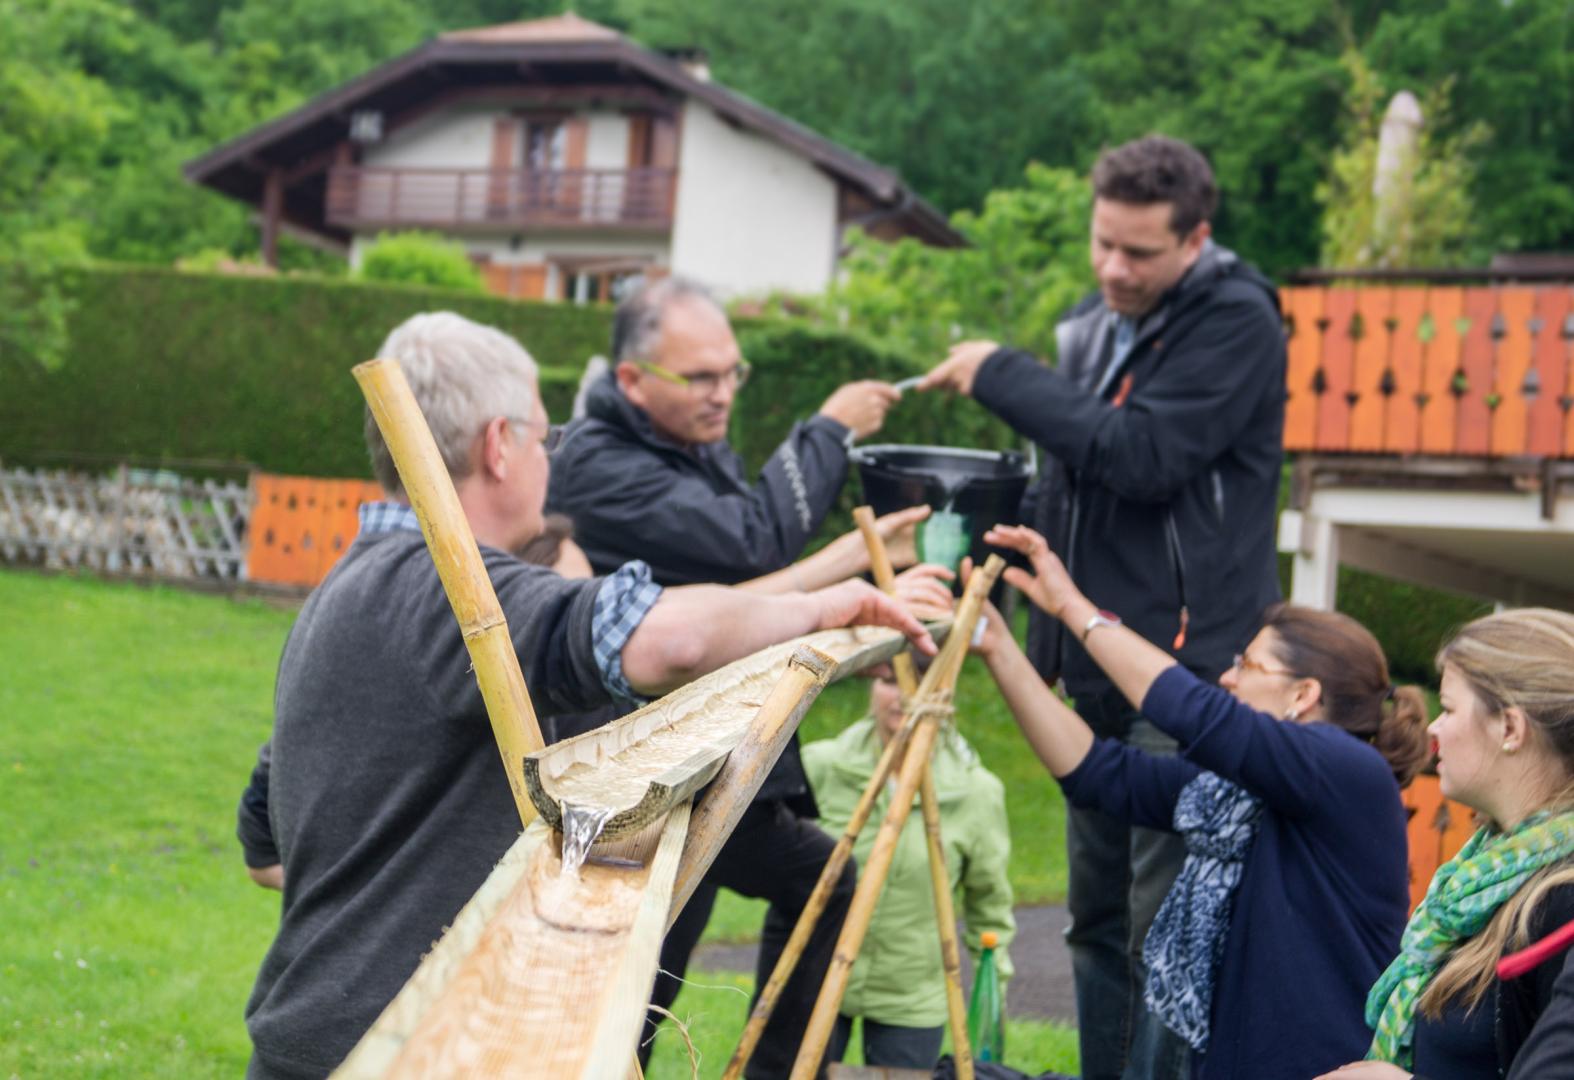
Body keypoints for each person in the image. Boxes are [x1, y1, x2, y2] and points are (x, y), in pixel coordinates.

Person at [240, 311, 934, 1080]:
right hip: (402, 1051)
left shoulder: (355, 591)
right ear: (500, 446)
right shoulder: (455, 600)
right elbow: (668, 639)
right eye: (546, 438)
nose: (552, 459)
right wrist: (823, 608)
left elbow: (264, 848)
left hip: (335, 1041)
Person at [918, 135, 1287, 1080]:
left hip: (1186, 668)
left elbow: (1143, 456)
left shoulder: (1239, 322)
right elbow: (1073, 486)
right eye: (1102, 244)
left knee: (1165, 929)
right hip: (1093, 667)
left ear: (1196, 239)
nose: (1114, 270)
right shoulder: (1091, 326)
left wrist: (1002, 371)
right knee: (1095, 924)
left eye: (1140, 253)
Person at [545, 275, 916, 1078]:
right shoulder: (599, 465)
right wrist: (827, 431)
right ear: (634, 380)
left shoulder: (680, 442)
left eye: (732, 373)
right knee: (628, 996)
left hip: (704, 758)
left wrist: (851, 566)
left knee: (798, 892)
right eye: (702, 377)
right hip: (633, 776)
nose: (723, 395)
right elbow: (751, 541)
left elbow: (745, 578)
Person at [972, 525, 1428, 1080]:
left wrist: (1072, 607)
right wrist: (999, 648)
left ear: (1303, 695)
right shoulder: (1237, 792)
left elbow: (1193, 712)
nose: (1227, 678)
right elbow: (1101, 775)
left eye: (1249, 665)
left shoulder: (1349, 771)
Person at [1316, 608, 1574, 1080]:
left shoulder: (1559, 901)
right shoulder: (1482, 877)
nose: (1433, 727)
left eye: (1450, 709)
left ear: (1511, 729)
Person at [802, 658, 1015, 1071]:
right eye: (887, 679)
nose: (902, 694)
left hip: (913, 992)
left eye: (920, 680)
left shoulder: (974, 792)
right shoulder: (822, 766)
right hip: (817, 977)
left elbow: (990, 903)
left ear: (945, 694)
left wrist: (994, 991)